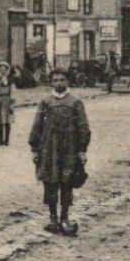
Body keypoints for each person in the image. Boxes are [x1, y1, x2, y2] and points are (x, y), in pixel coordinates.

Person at [29, 67, 92, 235]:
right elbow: (37, 126)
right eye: (55, 80)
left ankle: (65, 218)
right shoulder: (45, 102)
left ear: (67, 81)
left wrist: (82, 150)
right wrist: (34, 148)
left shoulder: (75, 102)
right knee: (49, 182)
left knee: (66, 182)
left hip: (69, 149)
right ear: (51, 82)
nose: (59, 83)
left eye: (62, 80)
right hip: (49, 148)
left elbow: (83, 127)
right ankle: (52, 218)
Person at [0, 61, 16, 146]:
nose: (2, 71)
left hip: (6, 99)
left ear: (7, 70)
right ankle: (0, 139)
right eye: (1, 69)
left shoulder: (9, 79)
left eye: (4, 69)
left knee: (7, 119)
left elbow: (13, 90)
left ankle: (6, 140)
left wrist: (12, 102)